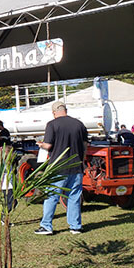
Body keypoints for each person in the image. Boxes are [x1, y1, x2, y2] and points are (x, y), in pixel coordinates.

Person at [35, 101, 88, 235]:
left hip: (58, 167)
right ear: (66, 110)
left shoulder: (52, 124)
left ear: (54, 112)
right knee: (74, 197)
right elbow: (85, 145)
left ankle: (46, 226)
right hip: (76, 166)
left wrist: (40, 144)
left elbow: (48, 146)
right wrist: (82, 161)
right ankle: (75, 226)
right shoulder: (79, 124)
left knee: (52, 196)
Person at [0, 121, 16, 225]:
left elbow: (4, 141)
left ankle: (4, 217)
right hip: (6, 186)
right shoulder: (4, 164)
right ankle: (2, 216)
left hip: (9, 185)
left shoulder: (4, 132)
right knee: (9, 203)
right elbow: (1, 174)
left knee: (12, 202)